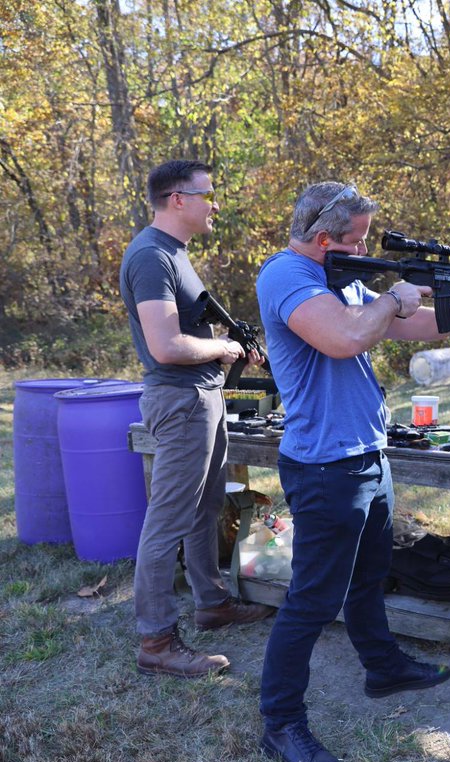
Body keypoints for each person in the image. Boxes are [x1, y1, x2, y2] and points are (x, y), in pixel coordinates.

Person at [255, 181, 450, 762]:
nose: (365, 248)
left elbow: (398, 325)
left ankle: (383, 667)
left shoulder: (342, 276)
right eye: (358, 239)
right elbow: (348, 337)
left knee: (370, 577)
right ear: (324, 238)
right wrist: (391, 300)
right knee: (311, 602)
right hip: (324, 465)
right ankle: (281, 723)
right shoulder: (287, 277)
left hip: (368, 455)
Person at [119, 160, 276, 679]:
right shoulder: (149, 257)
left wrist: (226, 352)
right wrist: (224, 346)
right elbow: (165, 346)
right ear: (178, 198)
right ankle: (157, 642)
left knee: (208, 505)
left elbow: (188, 334)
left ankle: (212, 603)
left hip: (202, 396)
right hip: (181, 401)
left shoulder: (175, 255)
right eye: (208, 194)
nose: (215, 204)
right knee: (167, 520)